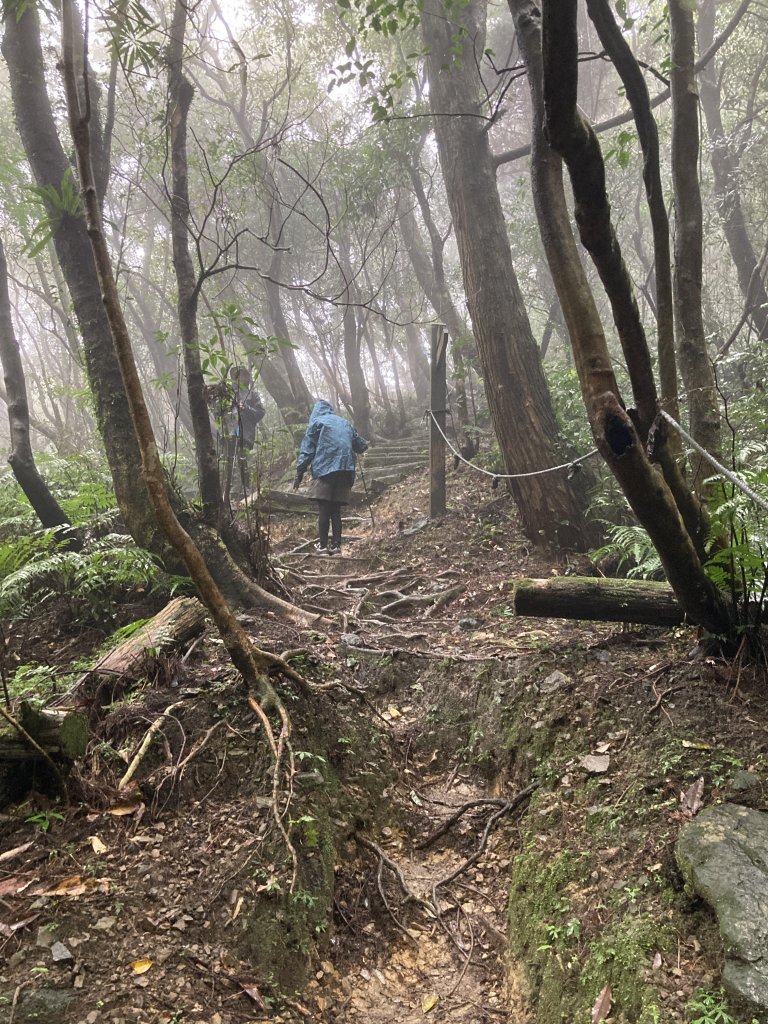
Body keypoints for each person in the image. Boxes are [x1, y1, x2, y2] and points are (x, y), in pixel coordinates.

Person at [293, 400, 368, 555]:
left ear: (316, 411)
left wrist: (299, 473)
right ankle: (336, 546)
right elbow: (361, 445)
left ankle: (322, 547)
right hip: (345, 469)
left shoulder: (316, 423)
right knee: (336, 510)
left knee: (324, 509)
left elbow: (307, 451)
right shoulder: (344, 423)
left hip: (325, 468)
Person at [222, 366, 265, 501]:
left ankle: (246, 491)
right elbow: (219, 410)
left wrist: (246, 408)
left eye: (244, 375)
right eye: (238, 375)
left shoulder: (253, 394)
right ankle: (230, 493)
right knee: (229, 461)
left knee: (243, 460)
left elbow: (260, 412)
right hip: (230, 431)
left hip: (245, 433)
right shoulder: (228, 393)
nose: (242, 378)